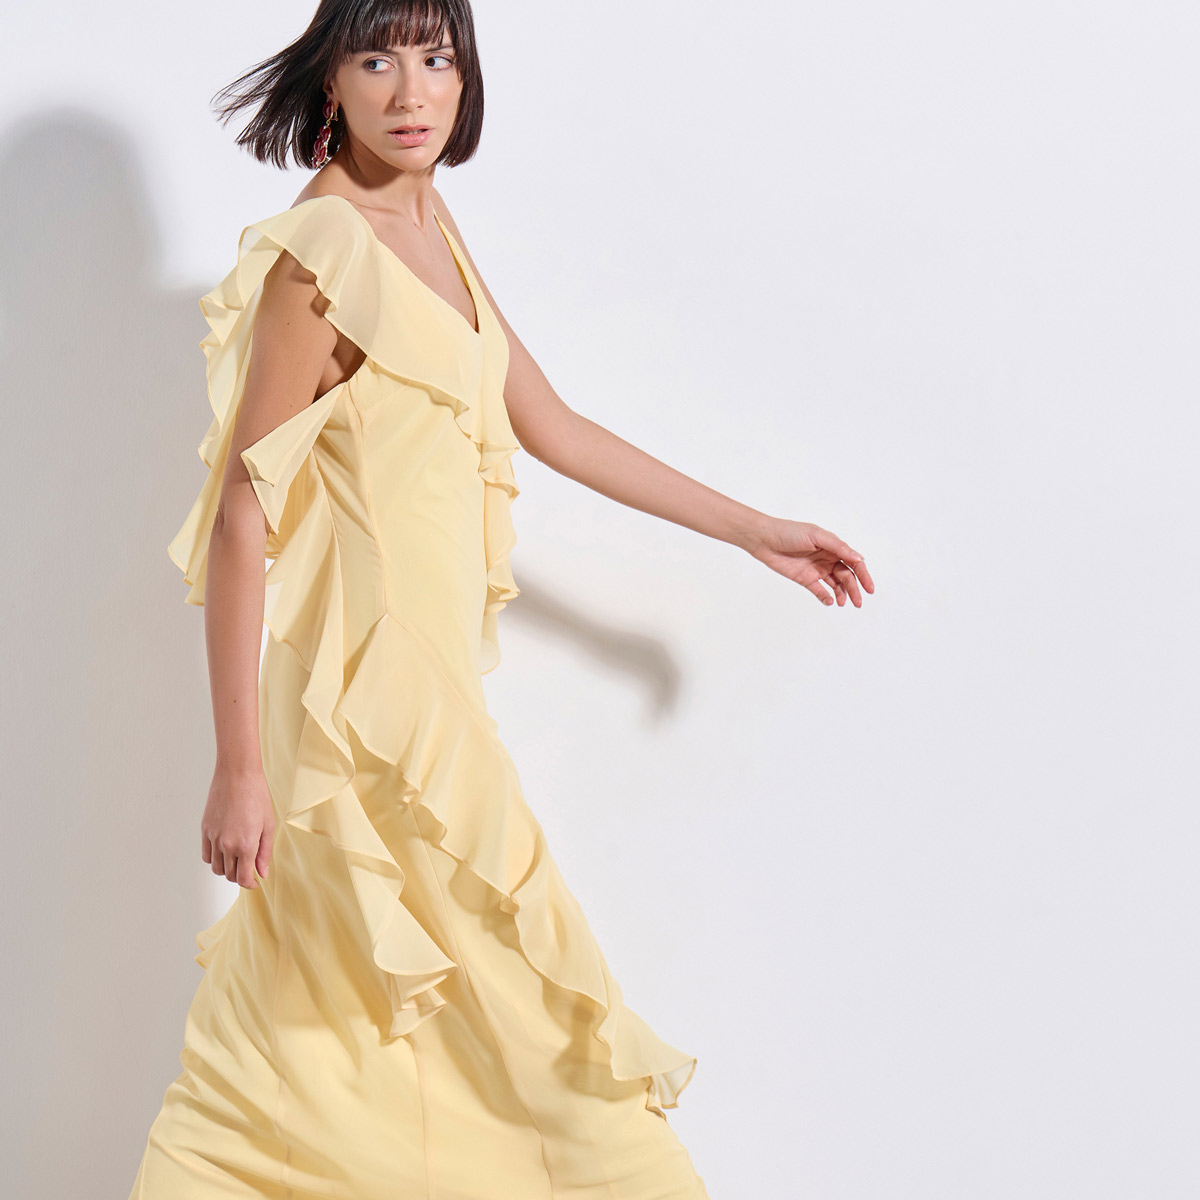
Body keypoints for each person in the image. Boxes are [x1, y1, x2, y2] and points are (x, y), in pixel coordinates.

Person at [129, 1, 874, 1196]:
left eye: (436, 57)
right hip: (364, 717)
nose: (411, 90)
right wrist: (240, 767)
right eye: (378, 57)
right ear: (332, 79)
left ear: (465, 76)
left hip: (433, 707)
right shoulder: (322, 257)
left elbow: (552, 424)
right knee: (520, 1019)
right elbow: (239, 517)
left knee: (335, 1036)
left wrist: (756, 532)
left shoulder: (426, 219)